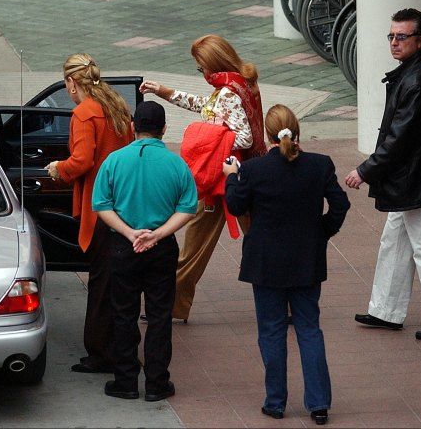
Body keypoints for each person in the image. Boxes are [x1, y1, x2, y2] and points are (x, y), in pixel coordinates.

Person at [344, 8, 421, 341]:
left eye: (402, 37)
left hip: (417, 180)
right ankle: (385, 310)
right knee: (396, 242)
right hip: (415, 178)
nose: (395, 42)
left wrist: (365, 170)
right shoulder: (418, 72)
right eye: (392, 36)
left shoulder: (419, 79)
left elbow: (400, 138)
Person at [223, 104, 350, 425]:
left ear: (267, 136)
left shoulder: (253, 171)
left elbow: (237, 204)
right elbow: (340, 204)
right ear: (298, 132)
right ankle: (319, 404)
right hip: (306, 259)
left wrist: (232, 177)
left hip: (265, 263)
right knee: (309, 330)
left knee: (271, 331)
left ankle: (276, 401)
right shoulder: (320, 165)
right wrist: (322, 232)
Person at [140, 34, 267, 321]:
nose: (203, 73)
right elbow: (205, 105)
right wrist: (164, 91)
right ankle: (287, 304)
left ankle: (168, 306)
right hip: (247, 178)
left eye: (201, 68)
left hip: (224, 180)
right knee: (262, 244)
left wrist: (211, 132)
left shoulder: (228, 92)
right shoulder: (240, 83)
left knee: (194, 246)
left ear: (212, 64)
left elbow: (243, 136)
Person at [92, 101, 198, 400]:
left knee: (123, 314)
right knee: (159, 316)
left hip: (123, 247)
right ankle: (157, 383)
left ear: (132, 126)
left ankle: (125, 382)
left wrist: (129, 233)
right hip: (161, 248)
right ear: (164, 129)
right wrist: (158, 234)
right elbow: (188, 207)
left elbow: (101, 205)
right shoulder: (177, 164)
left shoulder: (114, 161)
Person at [45, 53, 134, 373]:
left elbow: (81, 161)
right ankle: (121, 346)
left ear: (71, 83)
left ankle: (101, 353)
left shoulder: (84, 114)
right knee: (119, 283)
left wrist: (58, 169)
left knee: (100, 284)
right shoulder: (117, 105)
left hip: (99, 209)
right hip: (124, 204)